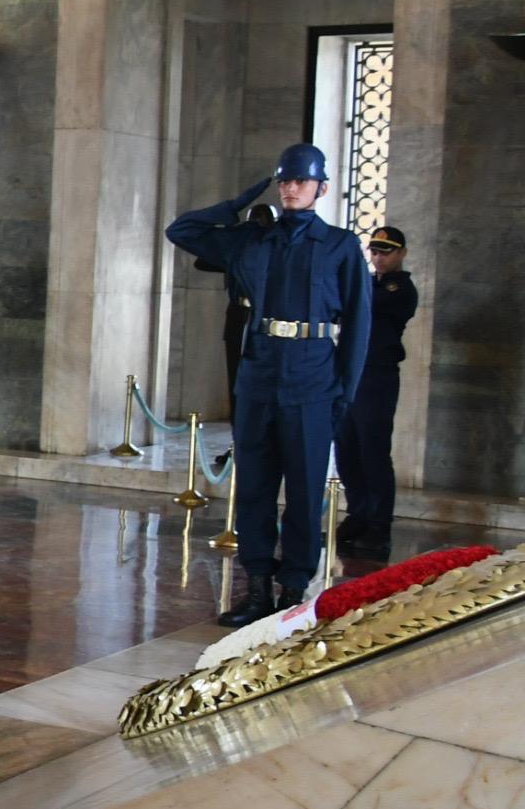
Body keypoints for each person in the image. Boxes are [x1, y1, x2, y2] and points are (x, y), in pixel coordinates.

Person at [167, 143, 371, 626]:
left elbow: (360, 325)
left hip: (313, 375)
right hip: (259, 373)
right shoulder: (250, 241)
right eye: (284, 181)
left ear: (321, 188)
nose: (291, 188)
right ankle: (256, 588)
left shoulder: (341, 246)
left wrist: (345, 390)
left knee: (303, 489)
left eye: (301, 181)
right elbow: (183, 230)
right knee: (256, 487)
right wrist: (240, 201)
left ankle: (293, 590)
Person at [337, 224, 417, 553]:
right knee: (347, 448)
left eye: (386, 251)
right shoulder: (367, 284)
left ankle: (379, 523)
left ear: (401, 254)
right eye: (374, 251)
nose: (378, 257)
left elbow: (364, 303)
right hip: (350, 373)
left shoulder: (401, 289)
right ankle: (358, 512)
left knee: (373, 450)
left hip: (378, 376)